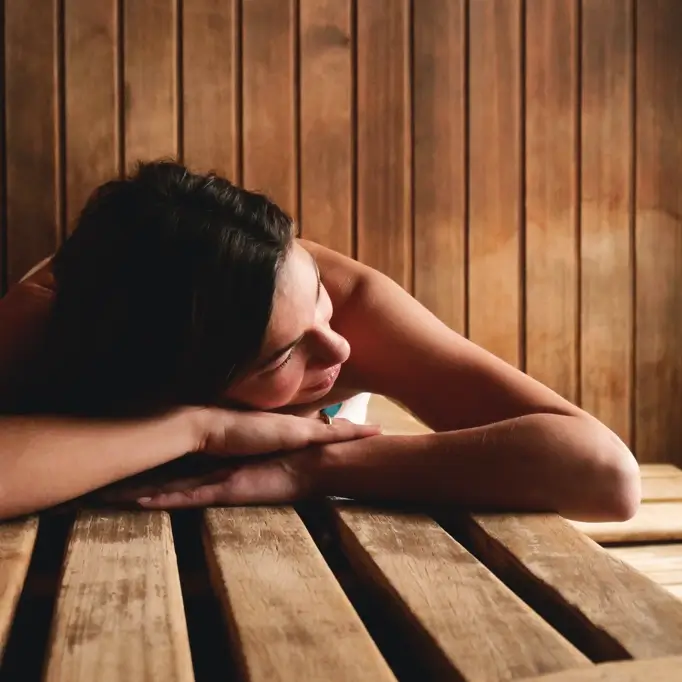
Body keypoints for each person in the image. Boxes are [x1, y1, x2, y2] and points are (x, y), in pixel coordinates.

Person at [0, 161, 640, 522]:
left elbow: (603, 474)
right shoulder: (49, 325)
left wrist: (314, 467)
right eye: (282, 356)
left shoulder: (351, 306)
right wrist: (197, 430)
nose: (337, 351)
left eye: (318, 305)